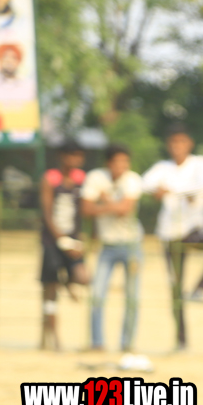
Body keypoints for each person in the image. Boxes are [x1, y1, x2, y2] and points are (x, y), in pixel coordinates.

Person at [141, 123, 203, 351]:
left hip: (193, 230)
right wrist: (163, 190)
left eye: (182, 141)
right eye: (173, 142)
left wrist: (173, 191)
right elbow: (145, 183)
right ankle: (181, 340)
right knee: (175, 287)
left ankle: (200, 287)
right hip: (170, 233)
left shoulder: (200, 163)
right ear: (168, 145)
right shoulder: (163, 167)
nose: (177, 146)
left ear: (190, 143)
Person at [82, 144, 144, 352]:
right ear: (108, 163)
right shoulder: (96, 177)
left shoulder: (133, 179)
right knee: (97, 295)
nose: (122, 166)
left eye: (125, 162)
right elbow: (86, 209)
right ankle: (97, 342)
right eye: (117, 162)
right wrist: (113, 206)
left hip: (131, 244)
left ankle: (128, 344)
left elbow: (125, 209)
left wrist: (104, 200)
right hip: (106, 245)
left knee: (132, 297)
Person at [38, 140, 88, 351]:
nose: (75, 160)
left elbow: (83, 210)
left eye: (79, 155)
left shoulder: (81, 180)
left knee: (83, 277)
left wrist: (78, 240)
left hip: (72, 240)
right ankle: (54, 340)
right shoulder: (50, 179)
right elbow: (47, 213)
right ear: (63, 157)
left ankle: (67, 283)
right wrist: (62, 240)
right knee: (50, 291)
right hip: (52, 241)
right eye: (72, 155)